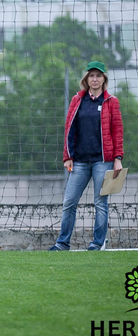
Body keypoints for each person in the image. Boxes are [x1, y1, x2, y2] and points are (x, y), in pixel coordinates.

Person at [50, 61, 124, 251]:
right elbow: (69, 129)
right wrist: (67, 156)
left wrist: (117, 159)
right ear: (86, 79)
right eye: (92, 75)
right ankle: (62, 243)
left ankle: (97, 244)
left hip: (103, 161)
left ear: (104, 79)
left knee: (100, 203)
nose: (95, 79)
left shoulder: (111, 102)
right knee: (69, 202)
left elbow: (117, 131)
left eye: (98, 76)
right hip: (79, 162)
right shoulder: (77, 100)